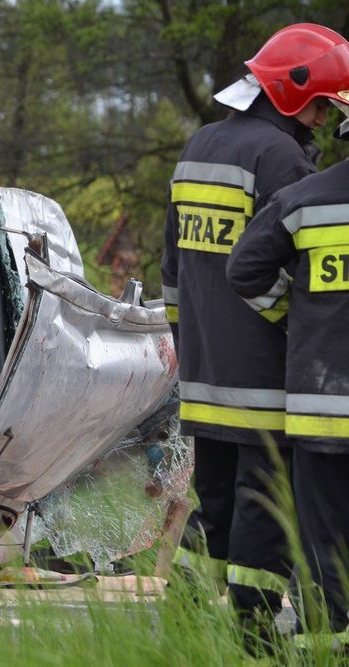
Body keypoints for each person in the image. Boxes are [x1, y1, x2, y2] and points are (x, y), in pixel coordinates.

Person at [161, 23, 349, 635]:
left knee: (211, 507)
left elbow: (173, 266)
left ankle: (183, 620)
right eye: (323, 103)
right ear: (295, 95)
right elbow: (287, 265)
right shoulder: (282, 158)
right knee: (267, 513)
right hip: (269, 379)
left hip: (205, 372)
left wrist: (186, 343)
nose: (323, 119)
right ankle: (255, 633)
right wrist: (298, 322)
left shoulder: (200, 144)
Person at [227, 113, 349, 640]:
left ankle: (325, 644)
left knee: (324, 543)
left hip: (320, 413)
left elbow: (244, 270)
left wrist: (292, 315)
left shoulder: (305, 198)